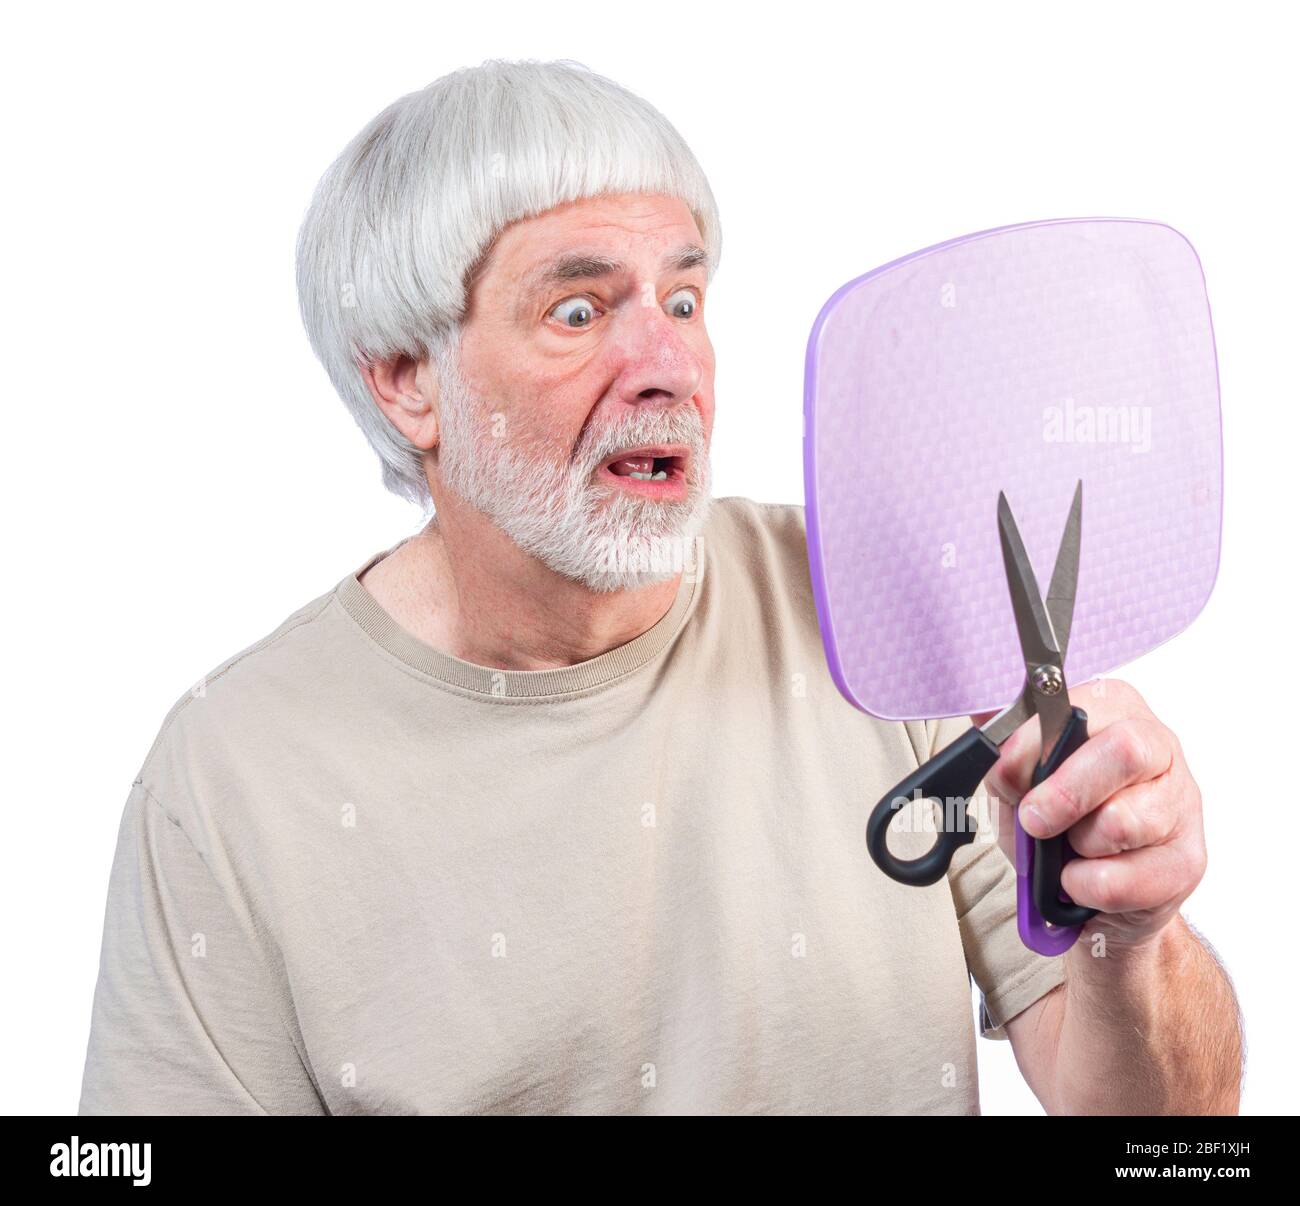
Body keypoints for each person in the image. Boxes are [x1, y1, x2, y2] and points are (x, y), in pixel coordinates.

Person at [78, 58, 1241, 1115]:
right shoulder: (229, 778)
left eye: (682, 300)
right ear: (404, 383)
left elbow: (1169, 1143)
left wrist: (1132, 938)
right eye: (577, 312)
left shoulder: (885, 604)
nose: (668, 365)